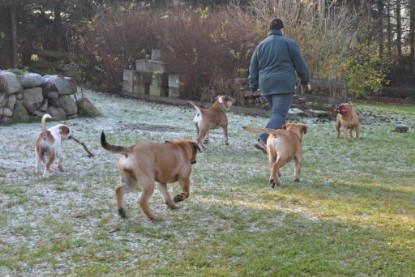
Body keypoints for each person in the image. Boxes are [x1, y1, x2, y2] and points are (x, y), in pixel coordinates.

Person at [249, 18, 311, 154]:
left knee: (278, 116)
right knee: (279, 114)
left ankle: (279, 144)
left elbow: (253, 68)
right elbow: (300, 64)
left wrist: (253, 87)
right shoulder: (289, 43)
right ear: (282, 30)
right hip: (283, 85)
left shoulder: (261, 45)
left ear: (270, 30)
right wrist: (306, 81)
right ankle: (263, 139)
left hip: (265, 86)